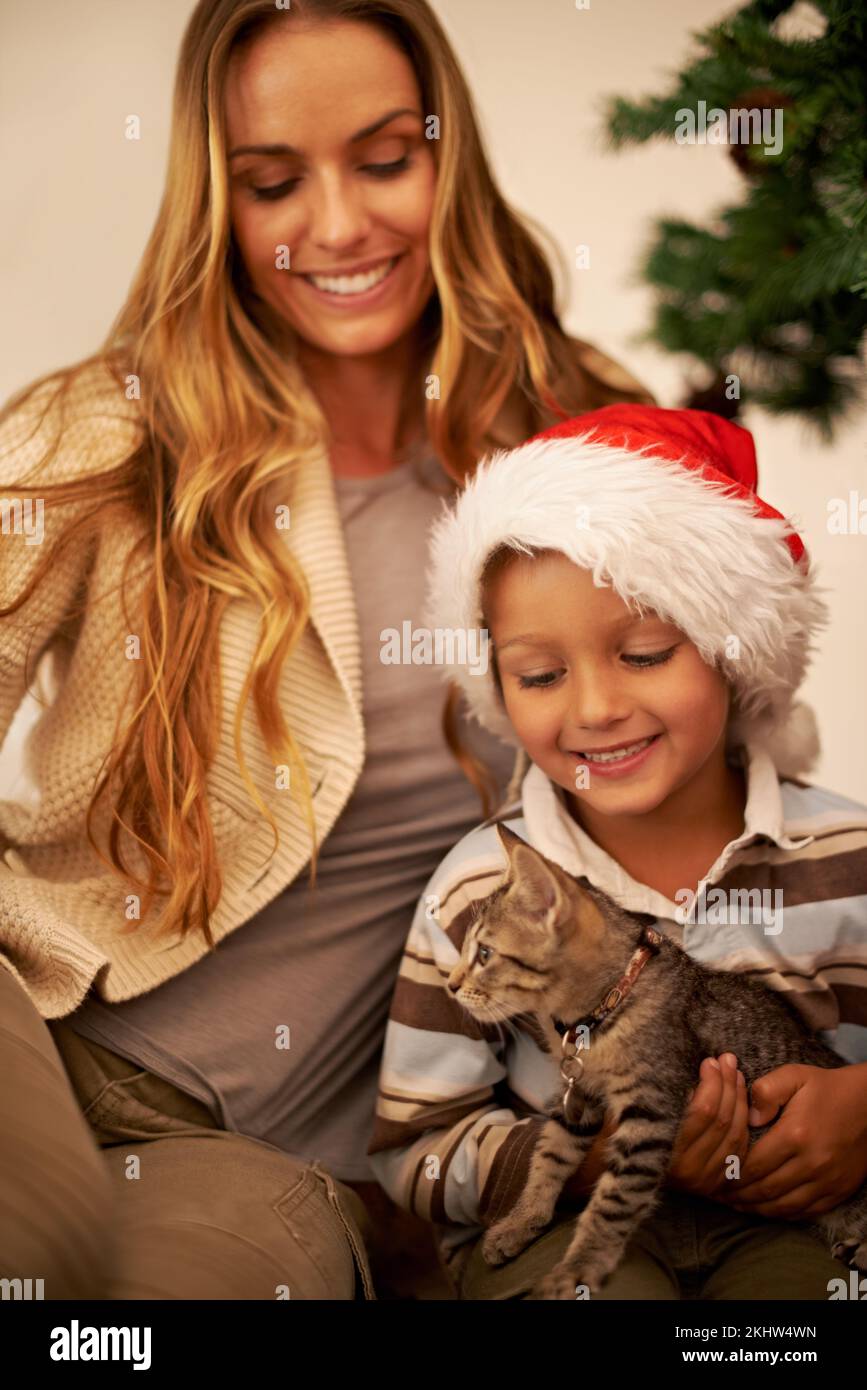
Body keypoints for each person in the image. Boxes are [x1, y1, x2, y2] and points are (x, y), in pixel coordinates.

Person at [0, 1, 653, 1301]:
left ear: (444, 156)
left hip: (284, 1159)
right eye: (272, 181)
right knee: (34, 1249)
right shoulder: (112, 431)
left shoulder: (580, 447)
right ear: (218, 202)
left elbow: (704, 816)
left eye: (382, 158)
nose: (339, 225)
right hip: (53, 1037)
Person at [367, 403, 867, 1300]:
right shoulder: (476, 889)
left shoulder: (847, 857)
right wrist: (591, 1159)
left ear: (733, 651)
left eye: (642, 653)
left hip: (790, 1232)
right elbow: (415, 1150)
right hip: (567, 1238)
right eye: (541, 675)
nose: (594, 707)